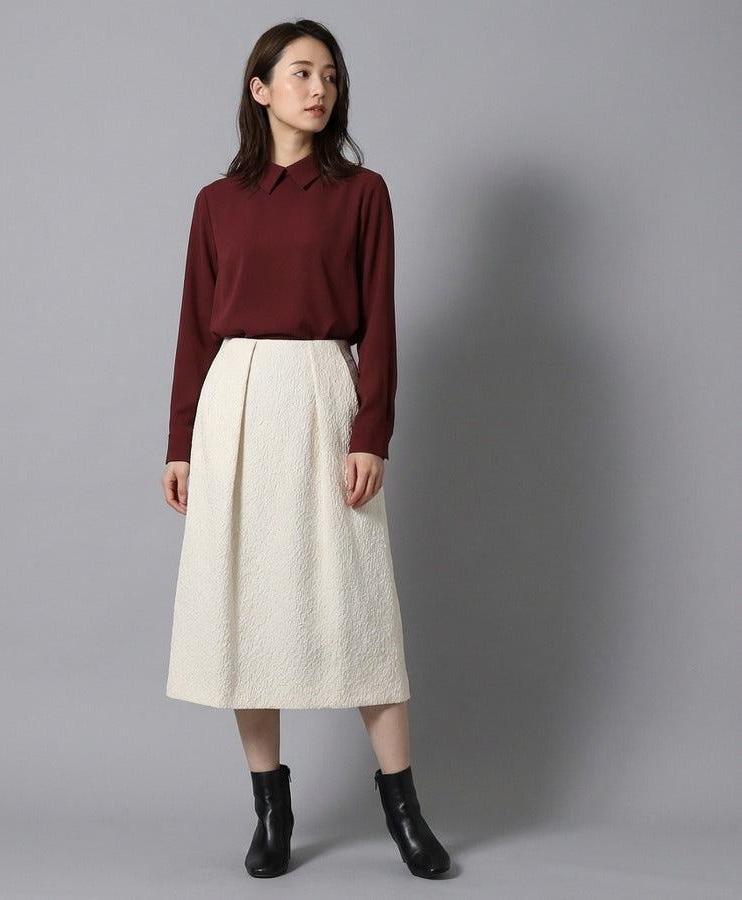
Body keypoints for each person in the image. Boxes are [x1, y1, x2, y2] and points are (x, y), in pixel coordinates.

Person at [160, 19, 451, 880]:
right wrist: (180, 441)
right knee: (244, 602)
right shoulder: (217, 202)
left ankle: (403, 807)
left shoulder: (362, 194)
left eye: (330, 74)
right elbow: (194, 329)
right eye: (300, 73)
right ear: (260, 90)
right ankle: (271, 808)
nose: (319, 88)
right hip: (235, 402)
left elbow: (380, 323)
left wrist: (372, 432)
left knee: (361, 606)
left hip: (325, 392)